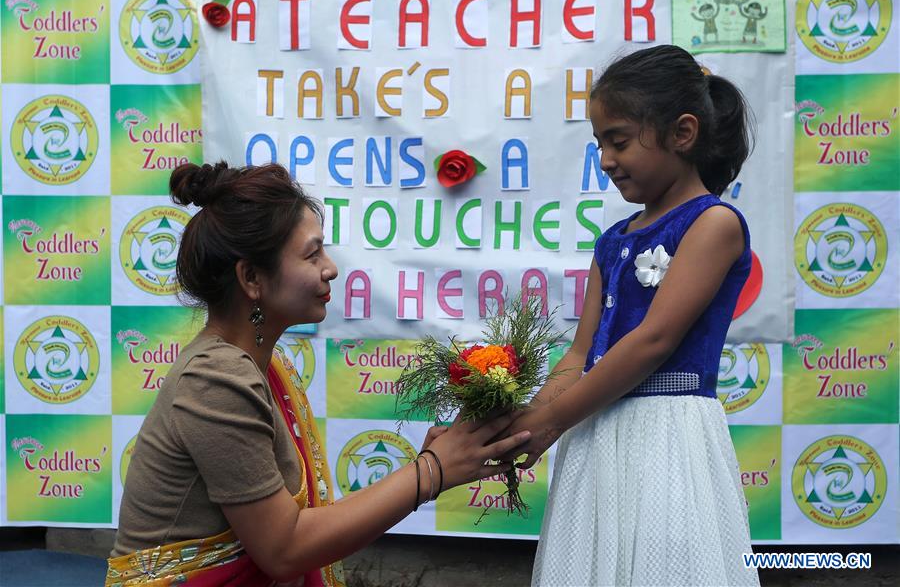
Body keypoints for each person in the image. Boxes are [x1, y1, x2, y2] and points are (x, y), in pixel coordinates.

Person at [106, 162, 531, 586]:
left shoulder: (263, 366)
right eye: (312, 255)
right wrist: (432, 471)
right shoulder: (216, 380)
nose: (331, 268)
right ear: (251, 277)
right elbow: (285, 549)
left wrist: (429, 468)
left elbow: (300, 529)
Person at [503, 45, 761, 585]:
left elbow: (653, 341)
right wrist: (524, 421)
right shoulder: (611, 241)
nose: (605, 159)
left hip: (667, 439)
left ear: (682, 133)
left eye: (618, 141)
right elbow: (580, 352)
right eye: (599, 143)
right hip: (593, 433)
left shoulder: (713, 224)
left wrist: (551, 420)